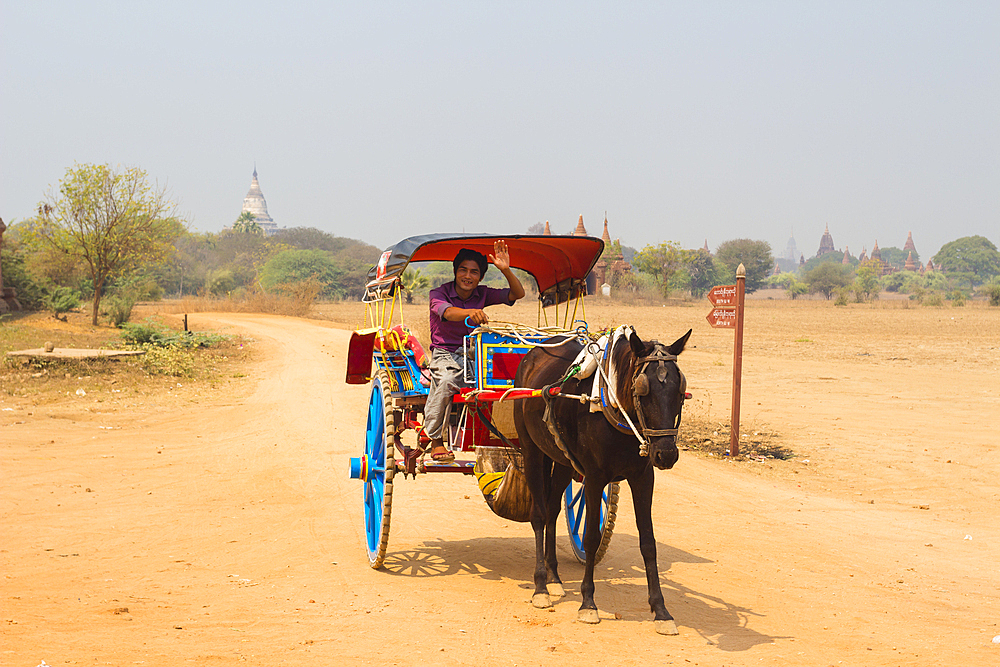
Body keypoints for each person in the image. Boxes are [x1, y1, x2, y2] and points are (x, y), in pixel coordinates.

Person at [424, 240, 525, 461]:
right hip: (445, 353)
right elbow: (448, 313)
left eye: (474, 272)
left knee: (506, 381)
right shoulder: (438, 293)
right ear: (455, 271)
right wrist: (471, 312)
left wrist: (506, 270)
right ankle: (435, 439)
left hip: (475, 353)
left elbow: (517, 294)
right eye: (463, 270)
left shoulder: (483, 293)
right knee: (448, 380)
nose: (467, 276)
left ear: (480, 277)